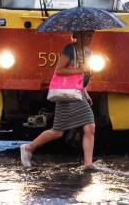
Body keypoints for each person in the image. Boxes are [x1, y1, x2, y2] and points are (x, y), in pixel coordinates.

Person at [20, 31, 95, 169]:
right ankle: (28, 148)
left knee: (90, 127)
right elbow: (59, 70)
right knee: (57, 132)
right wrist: (79, 69)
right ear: (79, 35)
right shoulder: (69, 49)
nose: (91, 38)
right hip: (66, 94)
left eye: (92, 35)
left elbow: (82, 79)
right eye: (88, 35)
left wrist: (86, 92)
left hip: (78, 94)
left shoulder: (88, 53)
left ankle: (88, 163)